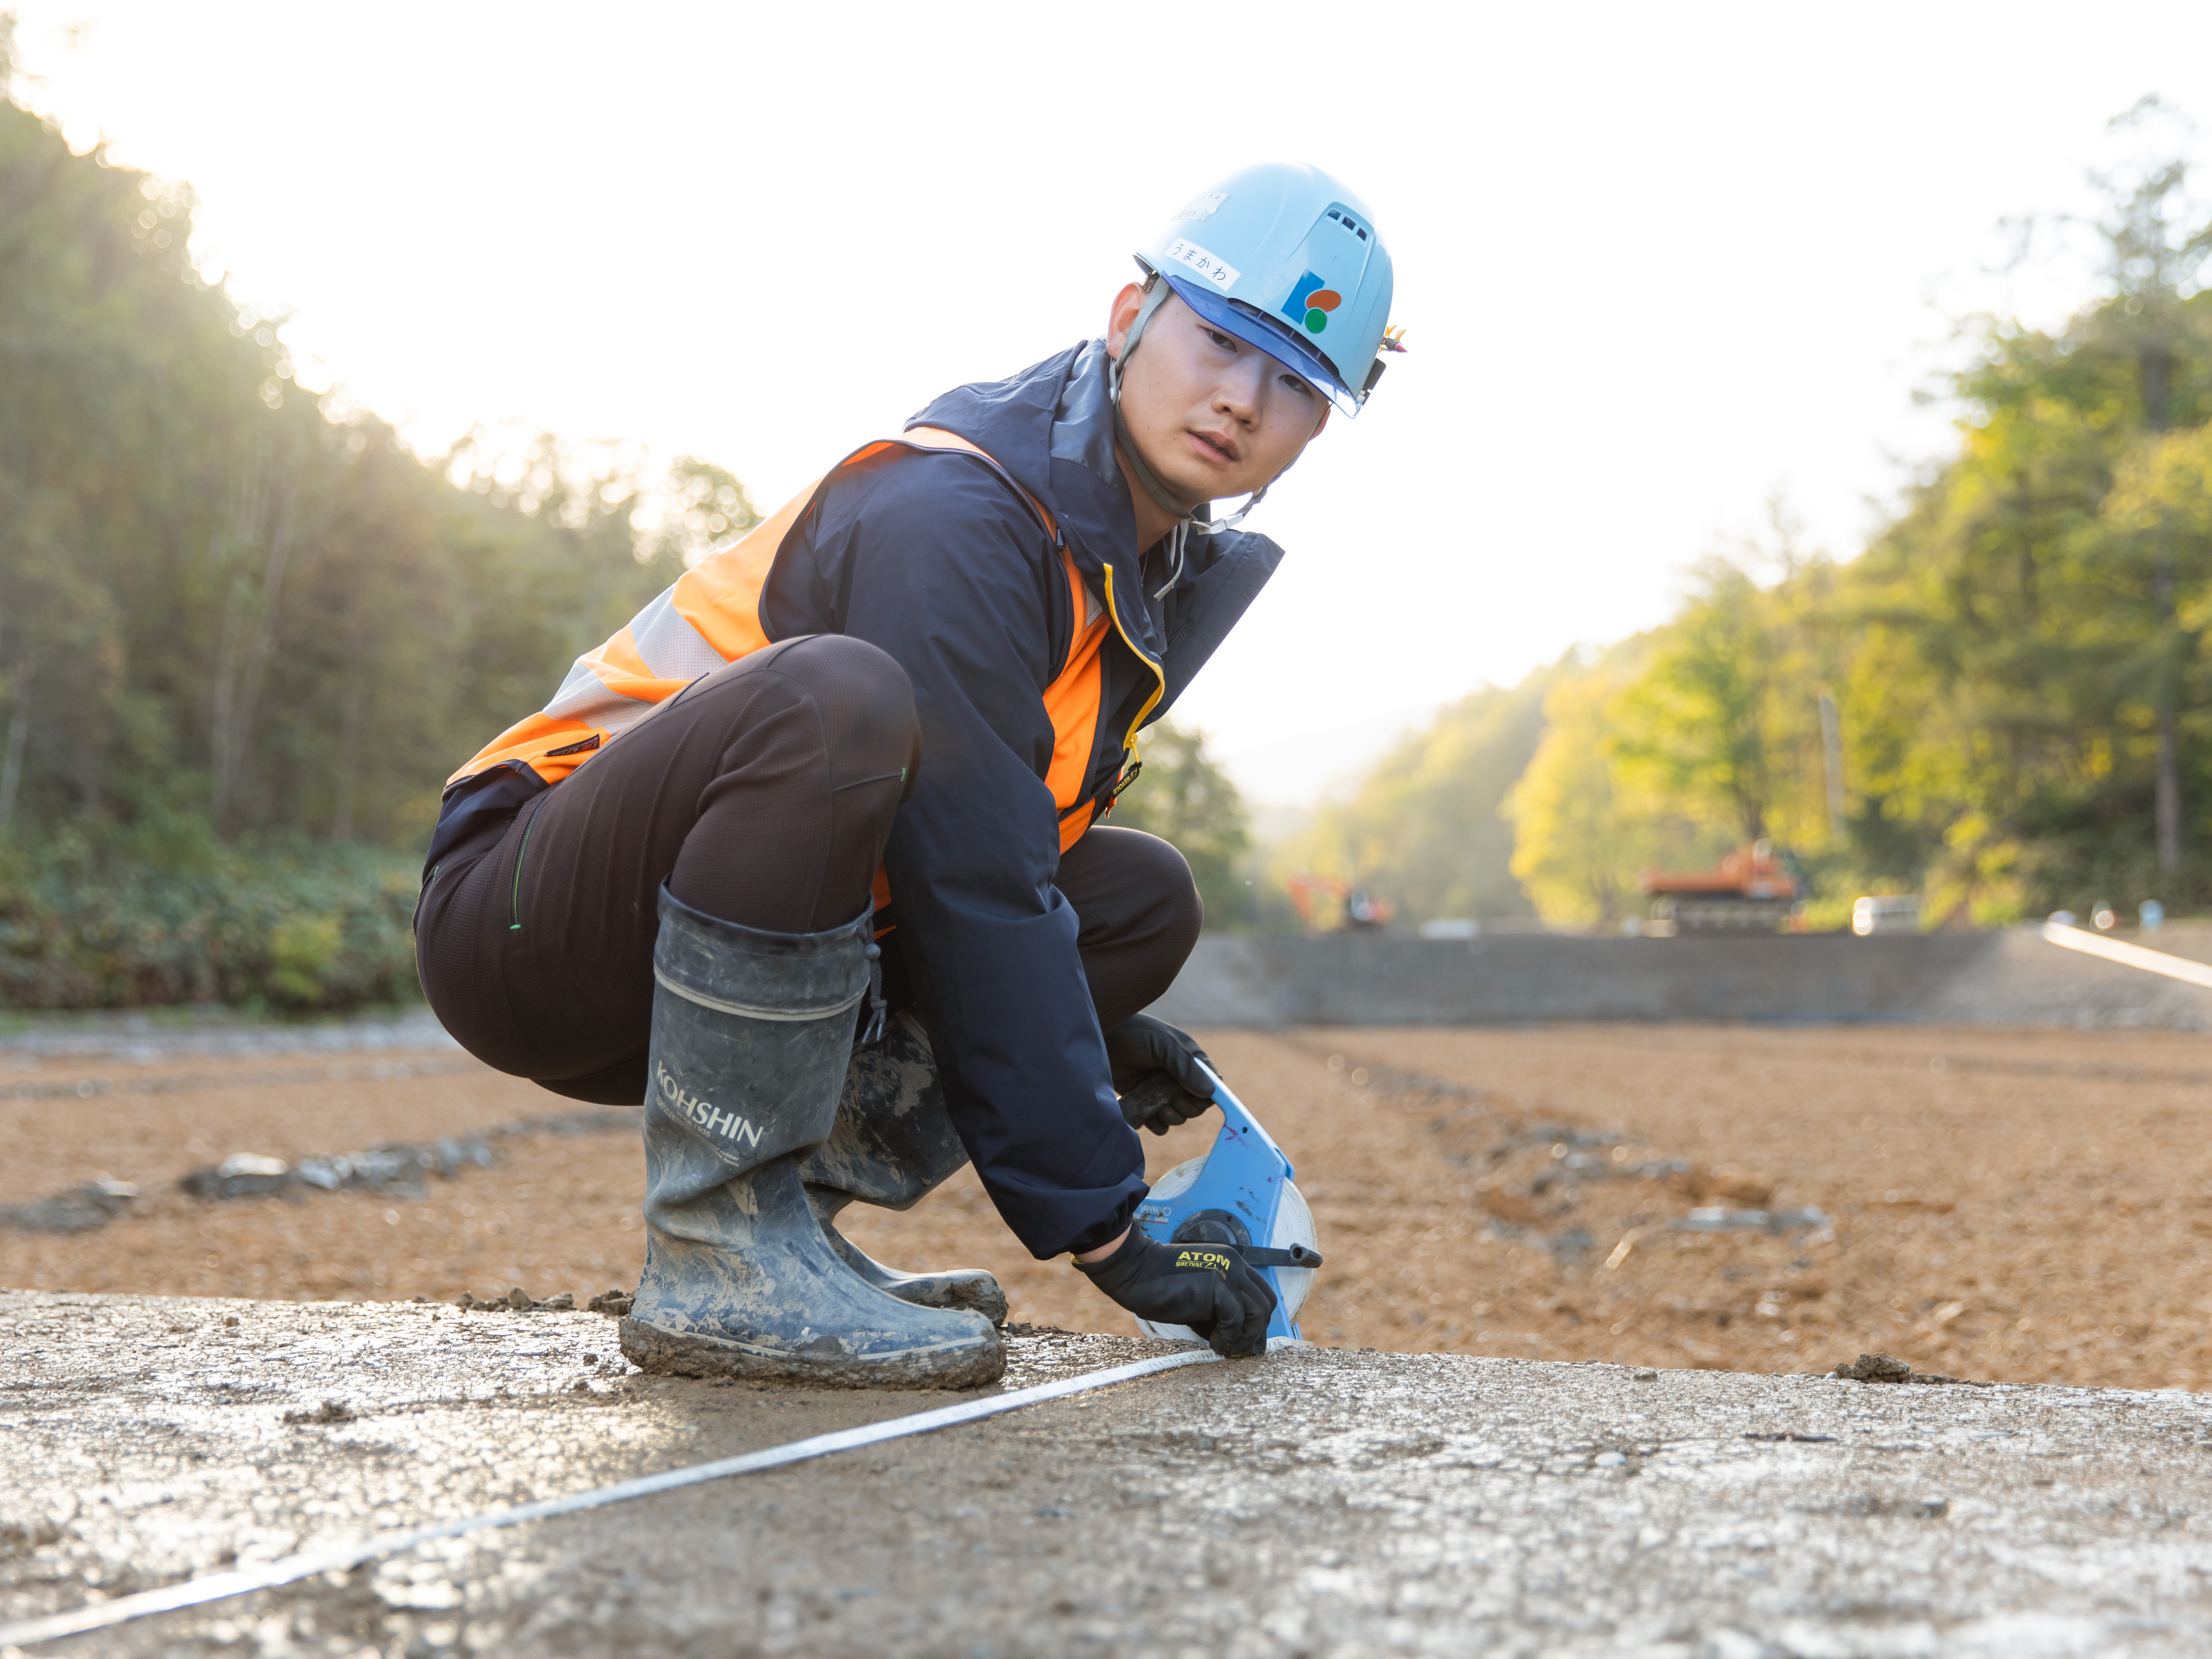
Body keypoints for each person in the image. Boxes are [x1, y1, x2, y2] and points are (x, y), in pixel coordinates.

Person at [413, 162, 1402, 1388]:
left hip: (708, 957)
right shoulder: (963, 514)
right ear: (1126, 318)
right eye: (1217, 339)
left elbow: (994, 868)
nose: (1242, 400)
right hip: (528, 912)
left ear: (1321, 422)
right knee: (840, 698)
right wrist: (1106, 1221)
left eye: (1295, 383)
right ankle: (717, 1249)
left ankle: (787, 1238)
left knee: (1135, 902)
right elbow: (977, 874)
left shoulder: (1133, 577)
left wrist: (1082, 1044)